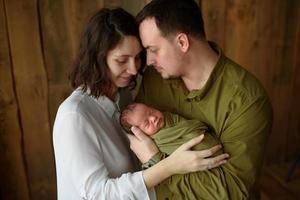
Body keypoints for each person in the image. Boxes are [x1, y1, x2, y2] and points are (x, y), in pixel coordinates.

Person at [52, 7, 228, 200]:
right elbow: (98, 195)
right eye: (122, 60)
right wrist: (169, 166)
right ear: (98, 59)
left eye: (137, 58)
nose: (134, 70)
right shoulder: (74, 116)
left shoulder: (125, 99)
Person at [134, 0, 273, 199]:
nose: (148, 61)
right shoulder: (155, 78)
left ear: (182, 42)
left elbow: (229, 192)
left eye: (153, 50)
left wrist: (157, 164)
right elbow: (135, 137)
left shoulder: (248, 101)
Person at [120, 103, 222, 155]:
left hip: (211, 141)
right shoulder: (156, 143)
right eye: (147, 123)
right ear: (140, 134)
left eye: (151, 111)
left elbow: (189, 125)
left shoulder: (168, 117)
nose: (153, 118)